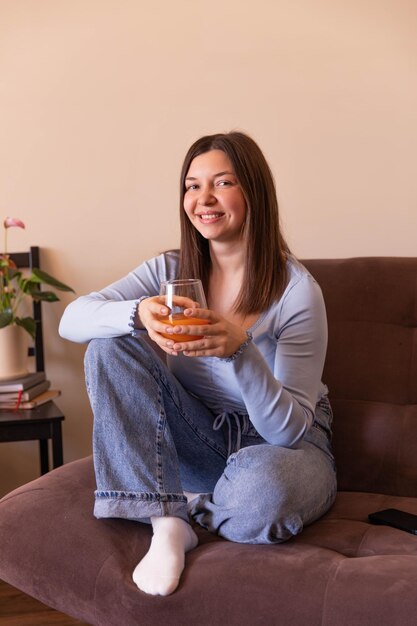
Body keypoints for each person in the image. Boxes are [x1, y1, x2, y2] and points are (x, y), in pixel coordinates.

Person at [59, 131, 337, 597]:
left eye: (222, 183)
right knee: (108, 344)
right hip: (201, 432)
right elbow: (73, 319)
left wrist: (241, 351)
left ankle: (184, 499)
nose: (203, 198)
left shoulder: (297, 292)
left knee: (263, 494)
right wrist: (137, 312)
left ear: (253, 192)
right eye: (191, 185)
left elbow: (287, 432)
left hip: (286, 446)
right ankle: (168, 521)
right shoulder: (170, 271)